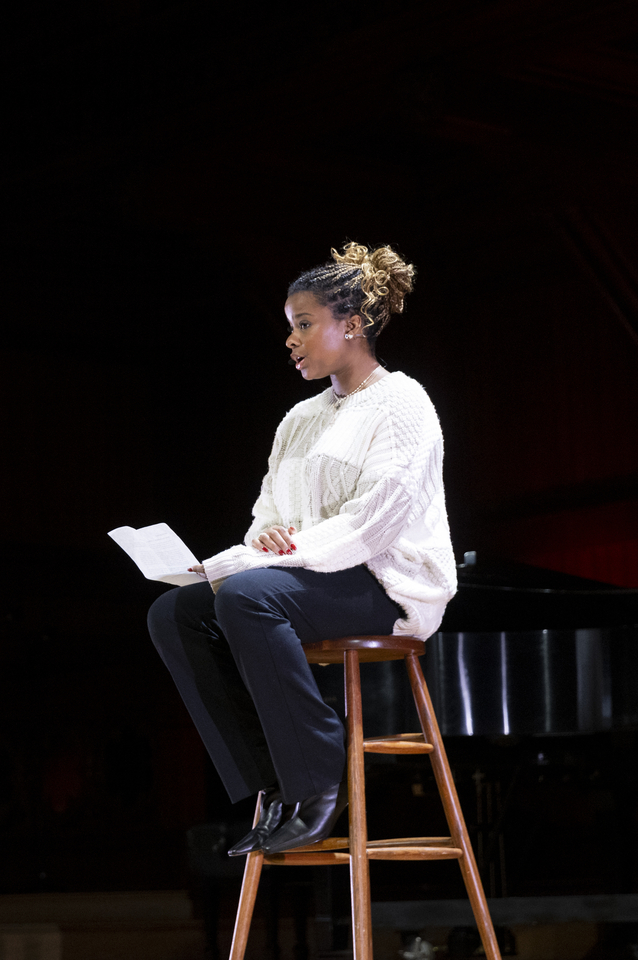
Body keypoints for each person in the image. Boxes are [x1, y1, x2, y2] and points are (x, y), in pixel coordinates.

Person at [147, 243, 456, 855]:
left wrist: (256, 558)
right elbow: (270, 514)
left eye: (304, 325)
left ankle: (317, 782)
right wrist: (261, 539)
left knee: (247, 596)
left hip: (383, 584)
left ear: (354, 324)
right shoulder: (297, 419)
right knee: (174, 614)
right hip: (307, 578)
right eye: (291, 327)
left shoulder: (403, 403)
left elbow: (370, 527)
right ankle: (272, 781)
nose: (291, 340)